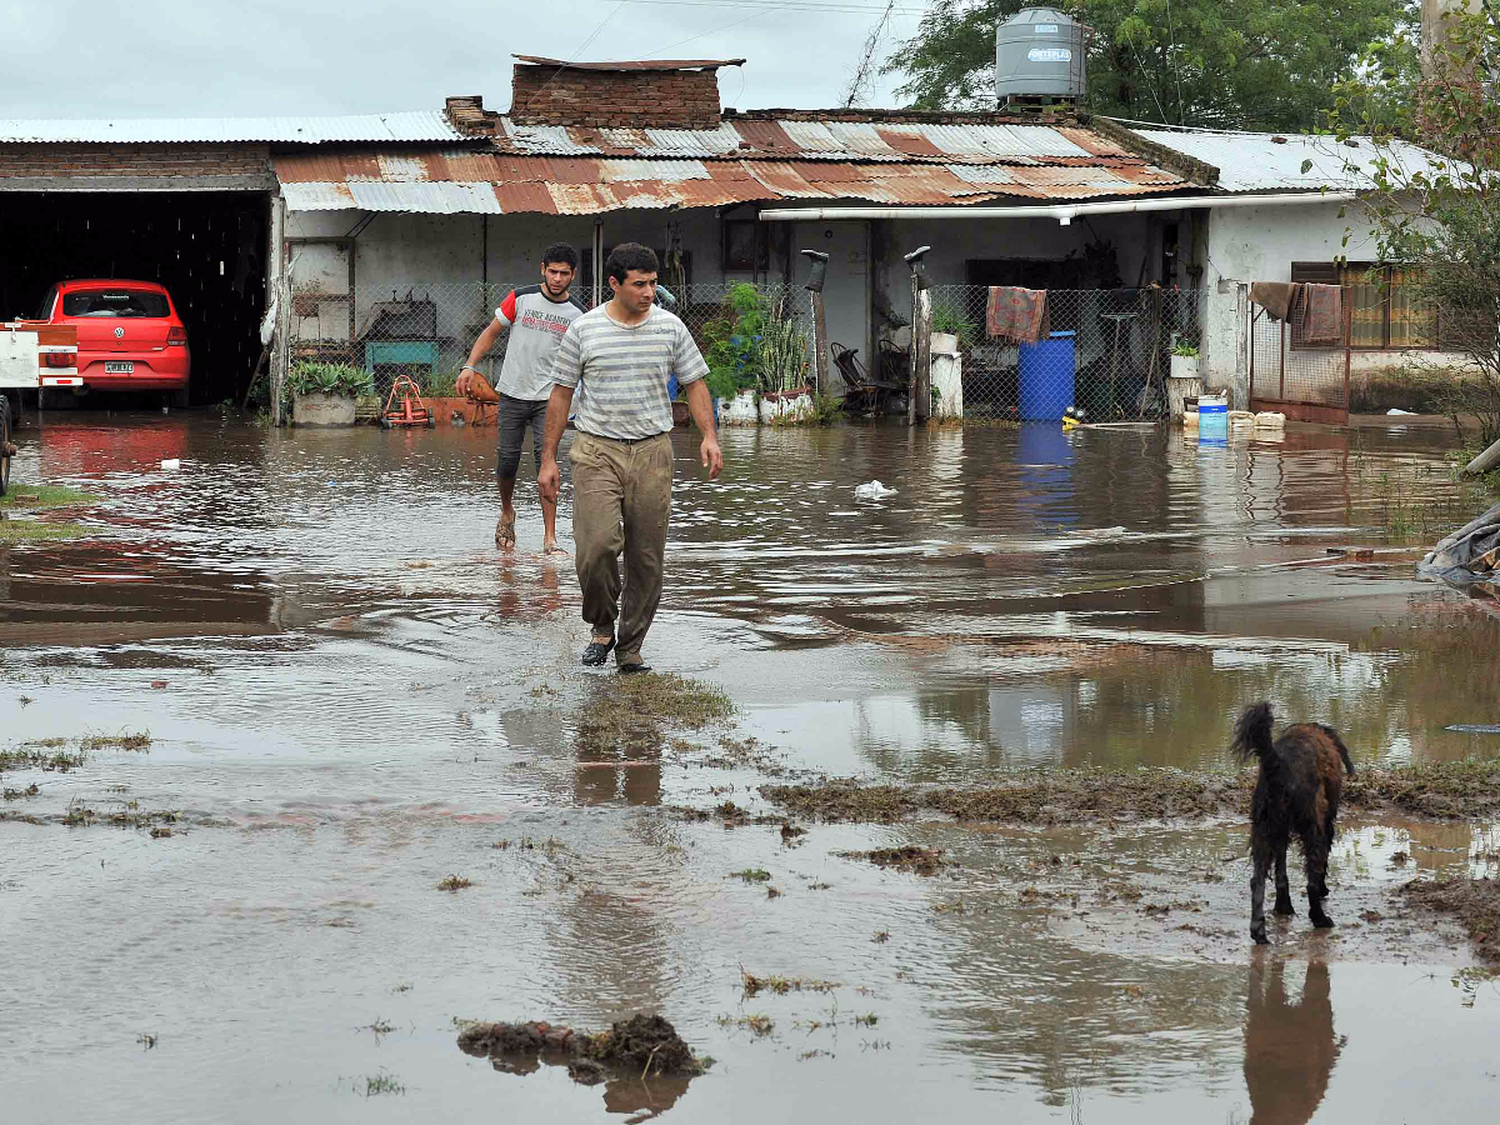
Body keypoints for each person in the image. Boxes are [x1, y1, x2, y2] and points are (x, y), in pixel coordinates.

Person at [537, 243, 722, 673]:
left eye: (654, 284)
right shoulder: (584, 330)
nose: (649, 292)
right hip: (596, 449)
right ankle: (602, 625)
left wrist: (709, 436)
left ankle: (630, 646)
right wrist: (548, 459)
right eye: (640, 284)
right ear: (614, 284)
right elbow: (561, 395)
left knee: (646, 556)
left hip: (653, 450)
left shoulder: (671, 328)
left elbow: (695, 383)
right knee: (596, 547)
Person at [455, 243, 585, 554]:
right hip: (512, 392)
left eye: (563, 273)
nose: (556, 278)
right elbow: (491, 332)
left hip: (550, 399)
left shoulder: (578, 314)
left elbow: (584, 359)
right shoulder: (521, 298)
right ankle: (507, 512)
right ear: (542, 269)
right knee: (507, 460)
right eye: (552, 271)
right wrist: (469, 365)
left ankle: (550, 537)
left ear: (573, 275)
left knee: (548, 463)